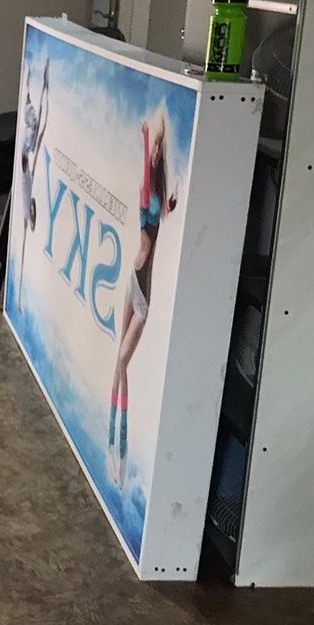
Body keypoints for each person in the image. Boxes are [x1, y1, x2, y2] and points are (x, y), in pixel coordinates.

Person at [106, 110, 179, 487]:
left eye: (158, 150)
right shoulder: (147, 192)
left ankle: (120, 448)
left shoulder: (159, 199)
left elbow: (162, 203)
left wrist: (153, 139)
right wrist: (147, 137)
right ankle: (112, 445)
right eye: (153, 149)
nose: (153, 154)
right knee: (117, 363)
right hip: (132, 283)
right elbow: (146, 173)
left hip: (143, 299)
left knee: (123, 362)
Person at [15, 58, 49, 311]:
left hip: (26, 153)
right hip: (27, 153)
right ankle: (32, 87)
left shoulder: (26, 212)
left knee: (34, 122)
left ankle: (31, 86)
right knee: (36, 122)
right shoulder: (27, 211)